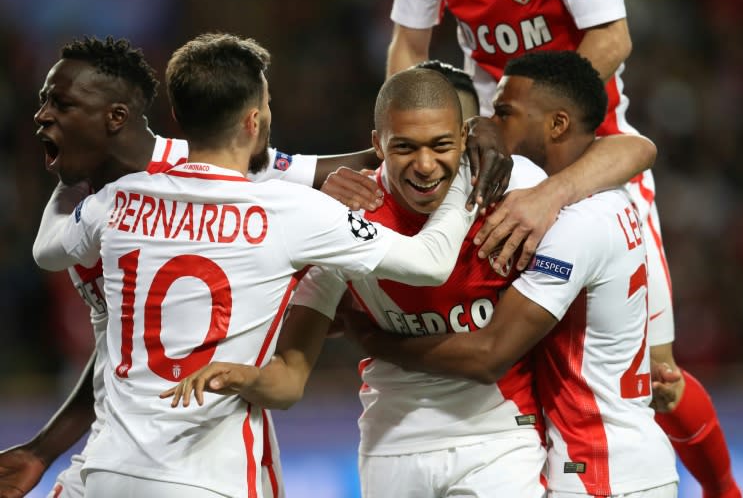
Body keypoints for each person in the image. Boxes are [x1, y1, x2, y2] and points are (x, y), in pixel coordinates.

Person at [31, 32, 478, 498]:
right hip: (211, 477)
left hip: (109, 469)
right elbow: (430, 264)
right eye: (266, 104)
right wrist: (464, 167)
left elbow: (49, 251)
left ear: (180, 116)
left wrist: (70, 181)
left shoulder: (114, 201)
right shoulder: (291, 210)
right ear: (253, 120)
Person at [386, 0, 741, 496]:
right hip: (493, 154)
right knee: (517, 346)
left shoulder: (570, 129)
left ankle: (726, 490)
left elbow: (613, 38)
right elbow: (408, 45)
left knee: (656, 374)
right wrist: (411, 127)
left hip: (592, 147)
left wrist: (545, 119)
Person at [168, 64, 555, 497]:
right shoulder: (344, 220)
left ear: (464, 139)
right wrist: (241, 375)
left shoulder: (518, 186)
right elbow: (291, 375)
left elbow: (627, 154)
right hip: (392, 442)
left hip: (500, 438)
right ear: (377, 145)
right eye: (405, 148)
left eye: (440, 146)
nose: (425, 166)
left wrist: (373, 339)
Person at [350, 50, 680, 497]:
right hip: (627, 454)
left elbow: (489, 354)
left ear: (557, 124)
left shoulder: (571, 222)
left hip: (597, 467)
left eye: (503, 114)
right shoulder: (606, 198)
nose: (490, 129)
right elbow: (639, 147)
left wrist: (378, 341)